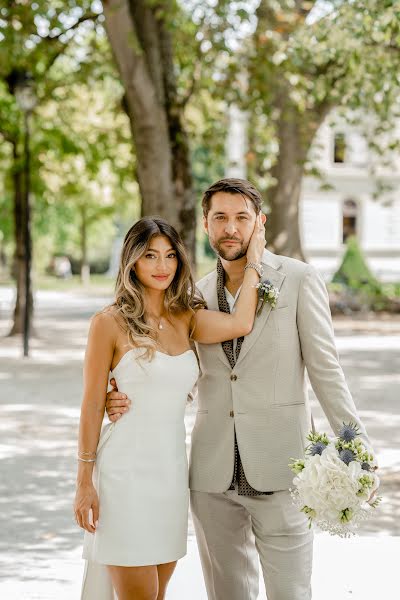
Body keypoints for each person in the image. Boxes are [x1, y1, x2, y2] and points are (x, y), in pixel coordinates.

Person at [106, 178, 375, 600]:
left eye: (241, 218)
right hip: (212, 479)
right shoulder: (191, 296)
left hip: (284, 471)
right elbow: (169, 369)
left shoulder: (299, 279)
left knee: (290, 593)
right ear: (207, 225)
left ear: (259, 223)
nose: (230, 228)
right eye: (220, 218)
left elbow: (327, 370)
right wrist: (118, 393)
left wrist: (358, 451)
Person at [74, 214, 266, 600]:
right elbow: (93, 404)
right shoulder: (108, 323)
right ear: (132, 261)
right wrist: (83, 484)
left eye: (169, 256)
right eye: (149, 256)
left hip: (172, 475)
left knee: (158, 593)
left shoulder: (187, 317)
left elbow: (243, 322)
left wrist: (255, 259)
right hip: (123, 476)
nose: (162, 266)